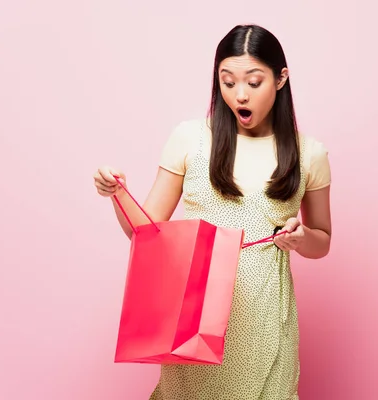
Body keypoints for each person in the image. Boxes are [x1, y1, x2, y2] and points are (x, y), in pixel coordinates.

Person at [93, 24, 332, 399]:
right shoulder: (190, 138)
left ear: (281, 78)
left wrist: (302, 239)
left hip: (266, 318)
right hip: (195, 318)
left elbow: (322, 241)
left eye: (254, 82)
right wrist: (116, 195)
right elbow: (146, 233)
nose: (239, 94)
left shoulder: (310, 153)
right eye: (228, 81)